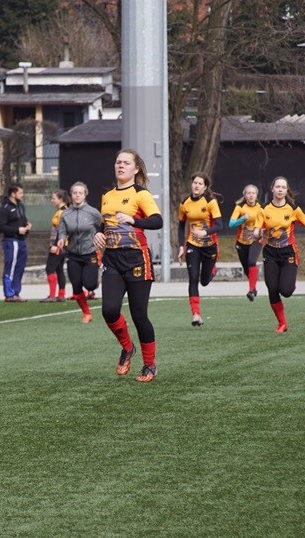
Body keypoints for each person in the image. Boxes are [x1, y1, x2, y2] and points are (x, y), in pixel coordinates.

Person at [93, 149, 163, 382]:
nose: (120, 165)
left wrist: (134, 219)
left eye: (126, 162)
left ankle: (149, 365)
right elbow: (105, 226)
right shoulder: (107, 195)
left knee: (139, 315)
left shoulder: (141, 194)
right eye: (118, 162)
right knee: (109, 310)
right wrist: (98, 235)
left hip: (137, 259)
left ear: (136, 169)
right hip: (112, 259)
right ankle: (127, 347)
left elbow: (157, 221)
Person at [258, 176, 305, 333]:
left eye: (283, 187)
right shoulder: (264, 209)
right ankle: (282, 323)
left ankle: (289, 283)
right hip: (270, 252)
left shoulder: (293, 208)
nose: (280, 189)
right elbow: (258, 229)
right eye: (277, 186)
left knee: (286, 290)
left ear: (286, 190)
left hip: (288, 252)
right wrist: (257, 233)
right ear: (272, 189)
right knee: (272, 288)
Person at [177, 173, 223, 326]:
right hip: (193, 245)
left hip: (209, 246)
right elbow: (181, 226)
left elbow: (219, 226)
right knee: (193, 278)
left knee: (204, 281)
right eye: (194, 183)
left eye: (199, 184)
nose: (196, 186)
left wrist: (205, 232)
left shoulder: (210, 202)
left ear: (205, 187)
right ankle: (196, 315)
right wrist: (181, 247)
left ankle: (212, 270)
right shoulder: (185, 203)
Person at [55, 182, 103, 323]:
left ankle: (95, 279)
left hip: (90, 253)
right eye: (75, 193)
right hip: (73, 255)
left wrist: (100, 240)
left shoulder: (93, 212)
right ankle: (87, 313)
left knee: (89, 285)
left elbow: (102, 228)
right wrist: (61, 239)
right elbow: (62, 232)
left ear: (85, 194)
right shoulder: (65, 214)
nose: (77, 195)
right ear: (71, 194)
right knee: (76, 287)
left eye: (80, 193)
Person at [227, 184, 265, 301]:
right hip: (241, 242)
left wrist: (262, 231)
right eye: (248, 193)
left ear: (256, 195)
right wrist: (243, 218)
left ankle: (251, 290)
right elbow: (231, 224)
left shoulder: (261, 208)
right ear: (245, 195)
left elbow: (265, 224)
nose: (251, 195)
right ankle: (254, 288)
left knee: (252, 262)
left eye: (253, 193)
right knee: (246, 268)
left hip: (255, 240)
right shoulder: (239, 207)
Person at [0, 183, 31, 302]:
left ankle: (16, 292)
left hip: (22, 241)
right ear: (13, 194)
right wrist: (16, 230)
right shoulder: (4, 209)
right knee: (10, 266)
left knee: (20, 267)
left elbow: (23, 220)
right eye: (20, 193)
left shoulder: (21, 207)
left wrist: (27, 226)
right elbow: (1, 227)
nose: (22, 195)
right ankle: (9, 294)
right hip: (11, 241)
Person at [40, 189, 69, 302]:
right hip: (62, 245)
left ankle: (52, 295)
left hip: (59, 245)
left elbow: (62, 230)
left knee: (50, 268)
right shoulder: (62, 211)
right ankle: (61, 295)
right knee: (59, 269)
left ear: (61, 199)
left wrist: (55, 245)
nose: (52, 200)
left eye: (54, 198)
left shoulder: (63, 212)